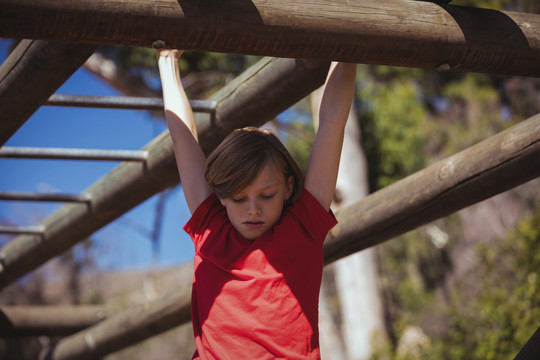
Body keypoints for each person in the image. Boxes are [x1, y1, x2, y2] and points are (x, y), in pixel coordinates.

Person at [157, 49, 356, 360]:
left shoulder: (303, 227)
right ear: (220, 195)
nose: (253, 209)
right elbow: (183, 138)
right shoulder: (210, 230)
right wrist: (167, 60)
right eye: (238, 198)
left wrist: (347, 48)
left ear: (289, 187)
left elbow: (333, 122)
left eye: (266, 195)